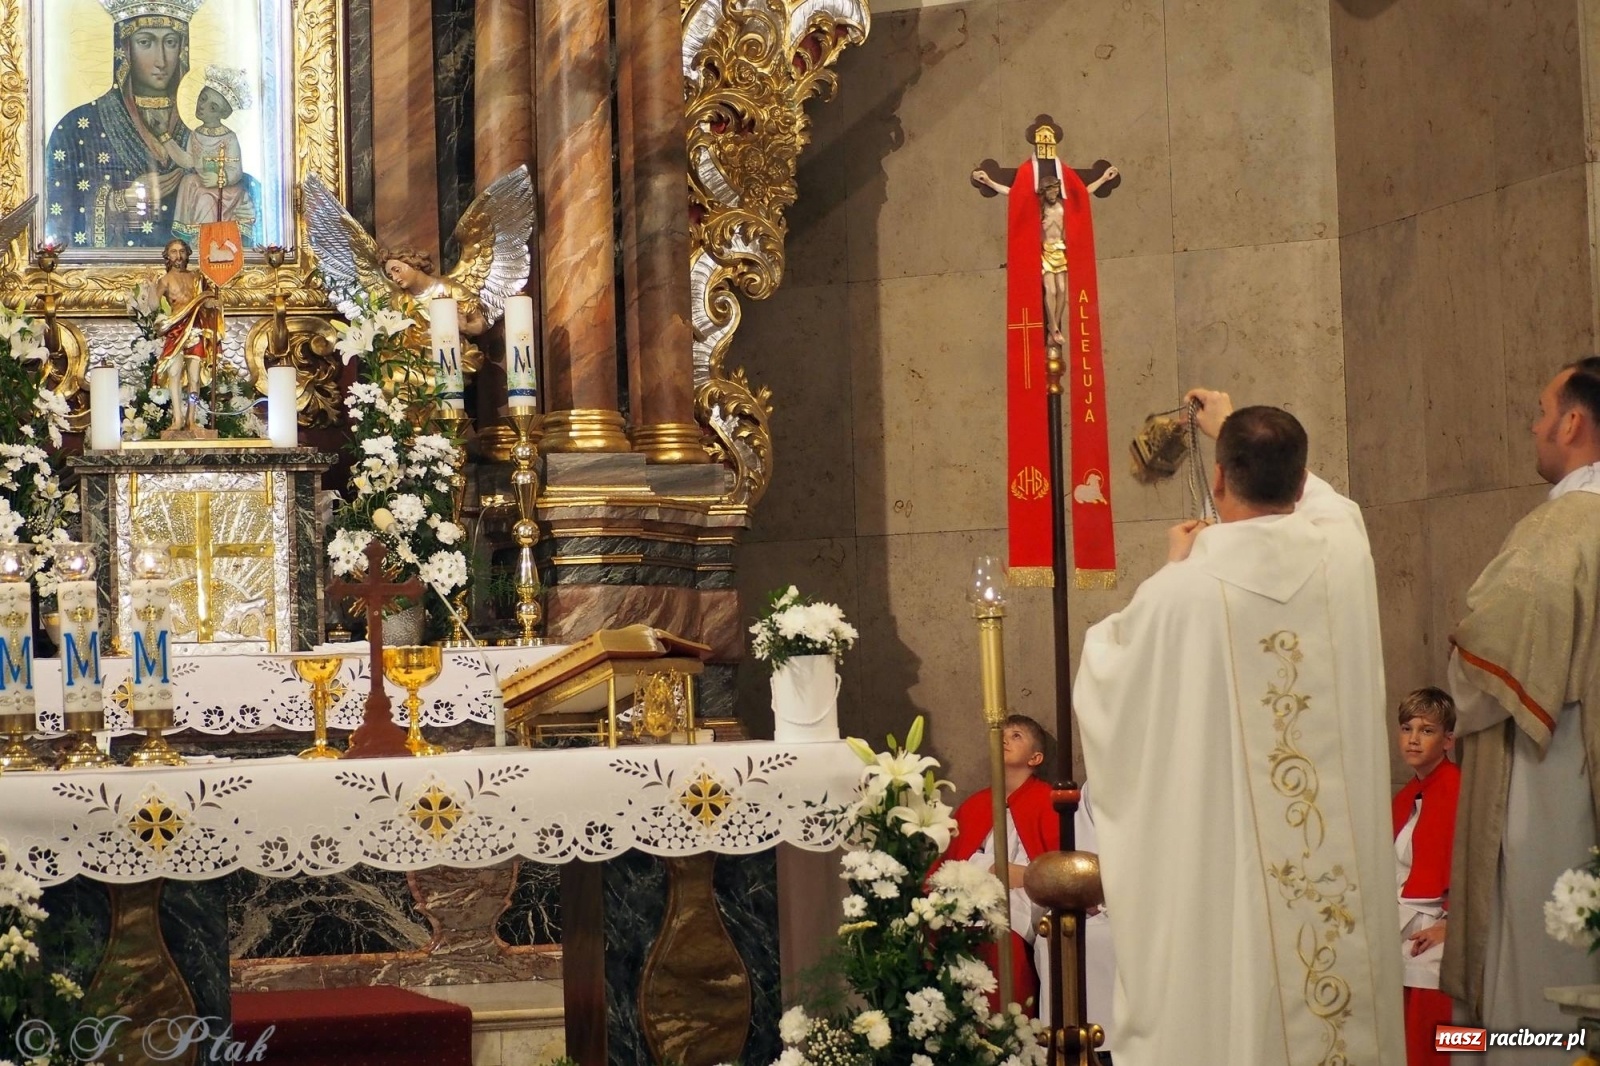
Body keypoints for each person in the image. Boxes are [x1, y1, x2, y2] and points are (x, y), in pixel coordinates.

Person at [1074, 389, 1405, 1065]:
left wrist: (1173, 566)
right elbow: (1330, 504)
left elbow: (1107, 673)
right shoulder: (1345, 556)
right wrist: (1232, 428)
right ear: (1297, 475)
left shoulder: (1184, 589)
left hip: (1231, 873)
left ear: (1217, 478)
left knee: (1241, 988)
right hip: (1330, 884)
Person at [1442, 356, 1600, 1064]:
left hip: (1555, 780)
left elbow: (1486, 662)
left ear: (1572, 422)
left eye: (1541, 410)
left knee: (1540, 968)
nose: (1534, 426)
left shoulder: (1560, 531)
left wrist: (1459, 679)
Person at [45, 0, 201, 249]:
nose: (161, 60)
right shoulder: (75, 129)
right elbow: (58, 221)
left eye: (170, 42)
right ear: (125, 49)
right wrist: (117, 202)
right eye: (145, 42)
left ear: (183, 48)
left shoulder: (203, 127)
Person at [943, 714, 1059, 1017]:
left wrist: (999, 870)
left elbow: (1045, 870)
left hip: (1024, 903)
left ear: (1036, 757)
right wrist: (996, 869)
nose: (1004, 739)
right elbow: (954, 861)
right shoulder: (976, 804)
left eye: (1016, 735)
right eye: (1001, 734)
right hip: (973, 895)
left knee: (1000, 938)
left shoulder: (1047, 800)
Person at [970, 165, 1117, 350]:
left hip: (1060, 250)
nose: (1054, 193)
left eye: (1056, 189)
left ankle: (1054, 324)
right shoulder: (1038, 208)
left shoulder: (1064, 205)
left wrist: (1104, 178)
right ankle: (1053, 327)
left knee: (1063, 290)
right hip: (1046, 251)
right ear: (1043, 192)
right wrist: (988, 181)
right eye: (1050, 190)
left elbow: (1084, 192)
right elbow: (1011, 193)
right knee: (1052, 291)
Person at [1392, 687, 1460, 1066]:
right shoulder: (1405, 796)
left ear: (1448, 739)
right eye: (1407, 728)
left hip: (1438, 922)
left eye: (1427, 730)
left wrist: (1450, 926)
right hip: (1402, 918)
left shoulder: (1459, 788)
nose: (1414, 739)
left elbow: (1476, 870)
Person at [168, 67, 257, 244]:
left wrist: (219, 178)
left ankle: (206, 240)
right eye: (203, 98)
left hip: (226, 190)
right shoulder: (195, 134)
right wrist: (165, 140)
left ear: (223, 114)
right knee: (188, 181)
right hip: (202, 183)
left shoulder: (229, 137)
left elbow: (236, 169)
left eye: (213, 107)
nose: (202, 106)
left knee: (204, 198)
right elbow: (188, 161)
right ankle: (194, 234)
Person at [152, 238, 219, 433]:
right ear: (167, 255)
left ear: (187, 254)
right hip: (176, 331)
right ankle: (177, 418)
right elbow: (153, 306)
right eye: (173, 252)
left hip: (195, 330)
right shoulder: (165, 280)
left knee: (194, 378)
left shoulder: (197, 278)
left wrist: (212, 301)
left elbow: (206, 302)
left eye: (181, 251)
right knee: (174, 374)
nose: (178, 256)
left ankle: (192, 417)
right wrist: (150, 288)